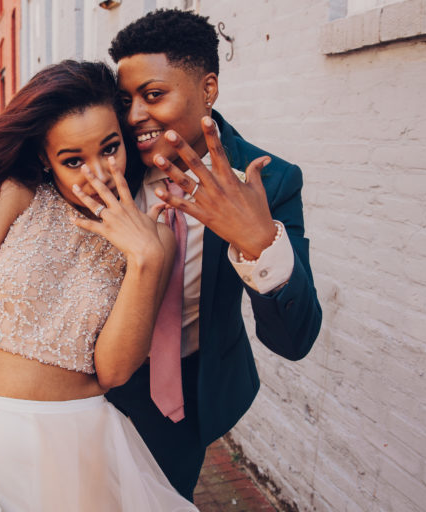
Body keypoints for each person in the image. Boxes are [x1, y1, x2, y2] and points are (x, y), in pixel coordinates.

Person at [0, 60, 197, 511]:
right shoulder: (14, 195)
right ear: (46, 158)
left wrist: (144, 259)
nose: (98, 173)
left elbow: (114, 372)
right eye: (72, 160)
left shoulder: (154, 241)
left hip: (78, 444)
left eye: (109, 149)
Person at [104, 9, 323, 500]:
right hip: (90, 389)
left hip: (183, 398)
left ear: (208, 89)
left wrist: (258, 242)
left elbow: (296, 338)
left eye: (153, 95)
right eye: (126, 100)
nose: (135, 114)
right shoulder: (108, 165)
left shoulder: (270, 182)